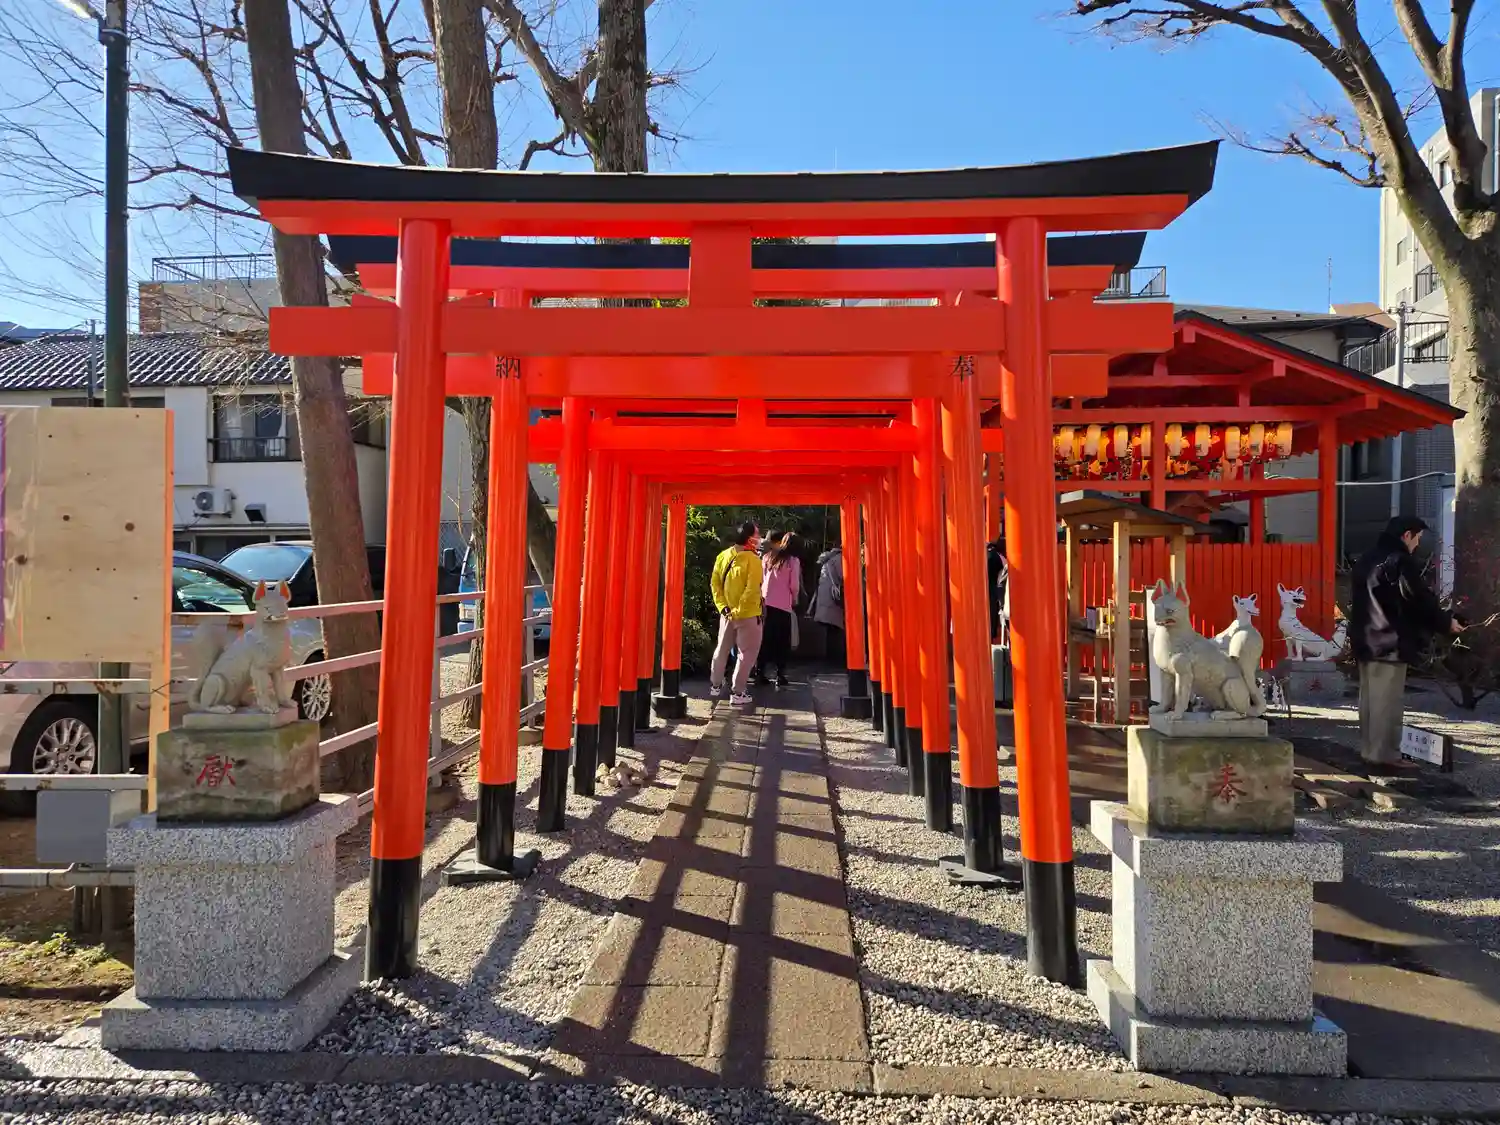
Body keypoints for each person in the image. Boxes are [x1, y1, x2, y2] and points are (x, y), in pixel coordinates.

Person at [1350, 515, 1463, 773]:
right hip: (1389, 641)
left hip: (1365, 639)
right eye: (1417, 538)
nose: (1417, 544)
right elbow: (1417, 599)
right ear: (1406, 535)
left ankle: (1370, 750)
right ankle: (1384, 756)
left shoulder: (1368, 558)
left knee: (1369, 699)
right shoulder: (1399, 561)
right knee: (1387, 702)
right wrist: (1446, 623)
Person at [709, 521, 764, 704]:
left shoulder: (723, 556)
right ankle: (738, 692)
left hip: (726, 614)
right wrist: (739, 610)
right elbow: (752, 589)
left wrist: (723, 608)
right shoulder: (754, 560)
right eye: (757, 534)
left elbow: (715, 585)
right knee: (746, 654)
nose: (759, 538)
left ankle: (715, 686)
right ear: (749, 538)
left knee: (722, 649)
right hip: (748, 615)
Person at [757, 532, 804, 688]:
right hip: (783, 605)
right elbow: (794, 585)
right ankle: (780, 674)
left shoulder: (768, 557)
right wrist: (795, 598)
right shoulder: (793, 561)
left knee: (765, 639)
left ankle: (760, 672)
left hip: (766, 603)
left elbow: (761, 579)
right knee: (782, 641)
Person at [812, 541, 846, 665]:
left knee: (831, 630)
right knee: (835, 629)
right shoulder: (839, 558)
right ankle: (836, 658)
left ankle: (830, 657)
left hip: (824, 597)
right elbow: (844, 576)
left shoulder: (827, 558)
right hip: (833, 599)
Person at [987, 539, 1009, 644]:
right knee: (991, 614)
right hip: (992, 589)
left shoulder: (988, 553)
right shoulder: (999, 557)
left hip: (982, 588)